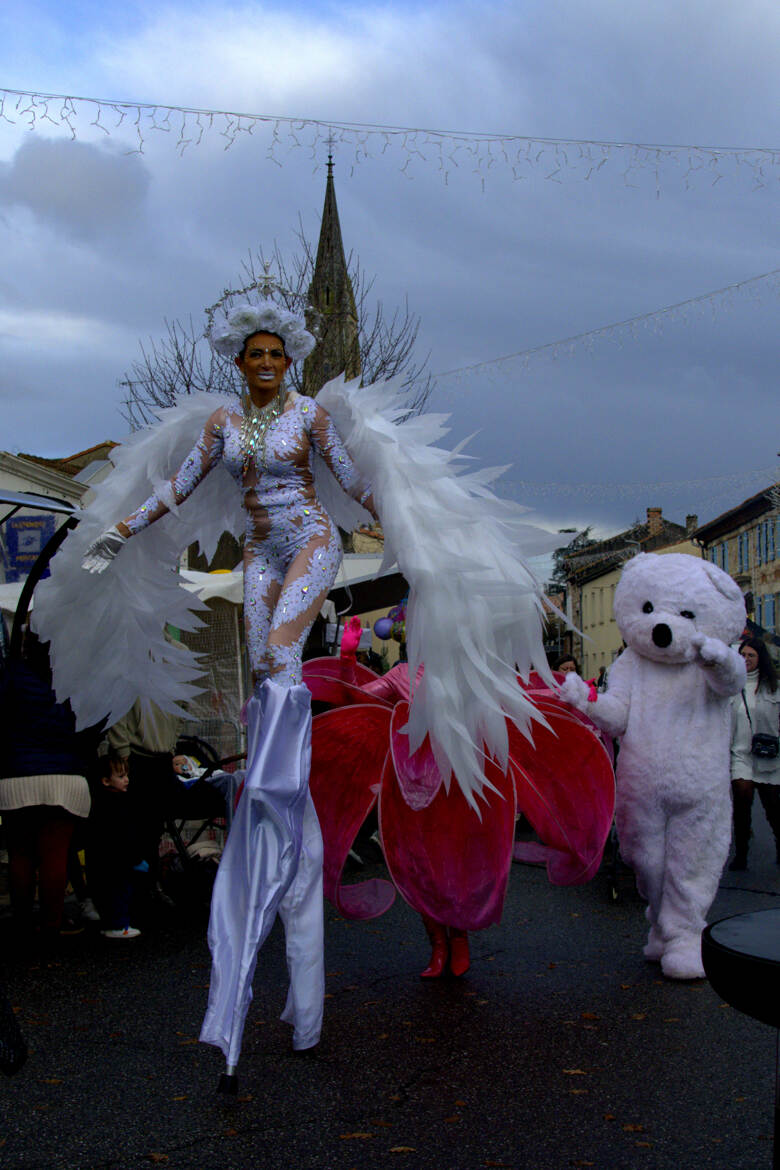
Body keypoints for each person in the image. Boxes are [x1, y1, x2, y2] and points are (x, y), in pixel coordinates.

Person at [78, 298, 377, 1082]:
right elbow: (176, 487)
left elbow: (349, 480)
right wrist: (121, 529)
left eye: (278, 351)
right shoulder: (221, 424)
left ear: (291, 358)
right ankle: (273, 809)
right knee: (260, 678)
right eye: (255, 354)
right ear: (239, 362)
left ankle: (279, 796)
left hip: (309, 538)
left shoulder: (309, 414)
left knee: (284, 657)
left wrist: (407, 526)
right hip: (258, 553)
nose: (268, 362)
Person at [0, 632, 95, 947]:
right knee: (55, 856)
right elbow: (91, 722)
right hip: (64, 776)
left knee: (20, 855)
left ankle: (23, 926)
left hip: (16, 776)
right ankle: (52, 929)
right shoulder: (72, 678)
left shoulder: (11, 674)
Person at [728, 635, 780, 871]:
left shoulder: (774, 687)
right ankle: (741, 855)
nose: (746, 659)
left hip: (769, 757)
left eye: (751, 655)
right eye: (743, 655)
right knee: (741, 801)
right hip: (741, 755)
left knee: (773, 808)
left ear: (760, 659)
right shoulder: (731, 687)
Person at [87, 754, 146, 939]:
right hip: (119, 862)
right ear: (106, 781)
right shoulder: (119, 805)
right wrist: (135, 858)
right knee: (120, 893)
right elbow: (126, 836)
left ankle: (110, 924)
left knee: (106, 893)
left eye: (126, 775)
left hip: (102, 860)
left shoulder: (98, 802)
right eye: (121, 776)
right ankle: (118, 925)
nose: (126, 780)